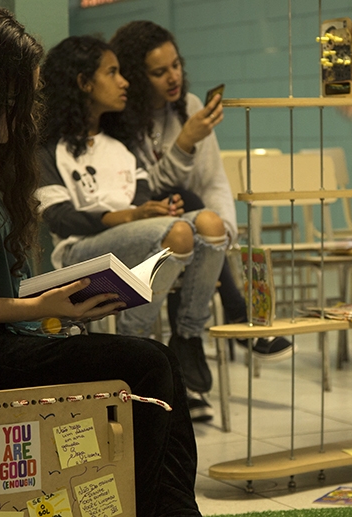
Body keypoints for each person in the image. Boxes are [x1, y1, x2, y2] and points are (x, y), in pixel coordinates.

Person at [0, 8, 201, 517]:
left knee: (158, 362)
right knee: (146, 365)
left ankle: (173, 509)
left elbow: (2, 284)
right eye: (15, 100)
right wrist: (41, 307)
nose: (25, 113)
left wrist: (57, 301)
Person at [37, 35, 227, 421]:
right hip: (79, 250)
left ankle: (188, 335)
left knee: (210, 223)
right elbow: (59, 217)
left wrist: (154, 211)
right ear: (83, 83)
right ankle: (133, 339)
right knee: (177, 233)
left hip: (133, 241)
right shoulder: (46, 148)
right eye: (112, 72)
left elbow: (139, 201)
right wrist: (130, 217)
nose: (124, 81)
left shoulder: (122, 145)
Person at [104, 20, 294, 376]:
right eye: (159, 72)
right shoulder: (120, 119)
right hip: (145, 224)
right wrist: (185, 143)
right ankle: (228, 316)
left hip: (191, 227)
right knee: (185, 202)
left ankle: (187, 370)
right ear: (138, 77)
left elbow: (214, 181)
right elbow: (142, 192)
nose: (173, 77)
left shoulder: (189, 106)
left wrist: (221, 236)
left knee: (195, 217)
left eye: (176, 65)